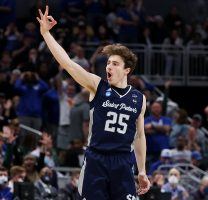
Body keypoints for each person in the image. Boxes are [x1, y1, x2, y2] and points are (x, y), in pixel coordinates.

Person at [36, 5, 150, 200]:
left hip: (123, 162)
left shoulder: (139, 98)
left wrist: (142, 170)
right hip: (96, 160)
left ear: (127, 70)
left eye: (115, 63)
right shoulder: (97, 86)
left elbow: (139, 135)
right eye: (108, 63)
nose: (109, 66)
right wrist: (46, 34)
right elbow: (68, 64)